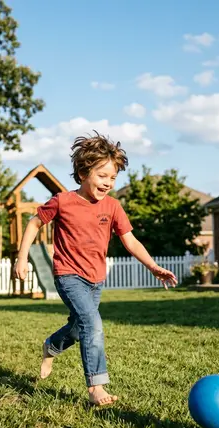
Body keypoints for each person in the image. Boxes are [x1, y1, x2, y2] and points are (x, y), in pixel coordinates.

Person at [13, 132, 177, 406]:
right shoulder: (62, 202)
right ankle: (96, 388)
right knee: (93, 324)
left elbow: (130, 240)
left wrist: (153, 266)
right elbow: (33, 224)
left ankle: (51, 346)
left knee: (79, 329)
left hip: (95, 280)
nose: (108, 183)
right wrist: (22, 258)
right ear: (83, 172)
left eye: (112, 178)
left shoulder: (112, 207)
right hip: (68, 275)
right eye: (102, 176)